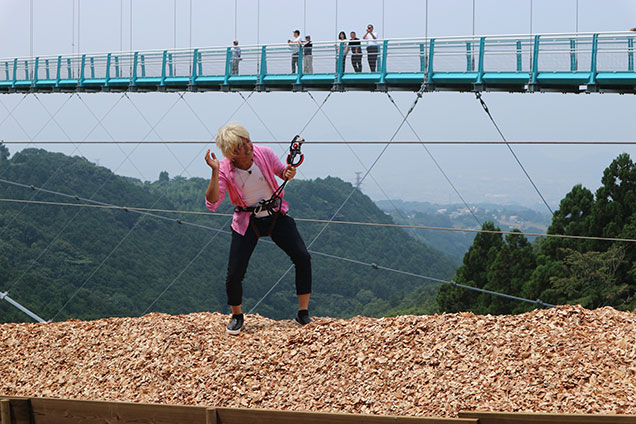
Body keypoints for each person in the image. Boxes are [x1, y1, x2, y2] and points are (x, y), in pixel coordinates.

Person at [204, 123, 312, 335]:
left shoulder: (264, 153)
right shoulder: (225, 168)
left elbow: (282, 172)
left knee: (302, 257)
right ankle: (237, 316)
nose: (248, 147)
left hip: (275, 214)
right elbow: (213, 201)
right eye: (241, 146)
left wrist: (289, 172)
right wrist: (215, 172)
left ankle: (303, 312)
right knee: (234, 272)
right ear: (232, 153)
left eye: (248, 141)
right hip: (247, 219)